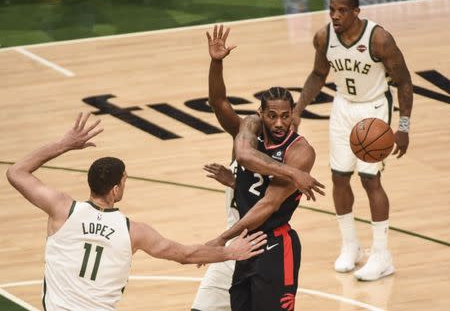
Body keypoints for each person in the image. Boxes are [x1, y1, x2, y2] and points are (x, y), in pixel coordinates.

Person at [5, 112, 268, 311]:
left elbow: (16, 172)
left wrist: (64, 144)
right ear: (117, 188)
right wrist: (229, 252)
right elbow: (185, 254)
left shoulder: (62, 209)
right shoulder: (133, 231)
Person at [293, 0, 413, 281]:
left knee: (370, 179)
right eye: (332, 10)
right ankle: (351, 246)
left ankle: (382, 255)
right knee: (339, 177)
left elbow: (404, 81)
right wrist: (298, 109)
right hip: (342, 107)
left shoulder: (379, 39)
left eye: (342, 10)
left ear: (356, 12)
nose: (335, 15)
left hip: (373, 109)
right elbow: (318, 74)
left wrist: (403, 127)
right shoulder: (324, 38)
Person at [204, 25, 325, 311]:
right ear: (262, 114)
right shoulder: (250, 126)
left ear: (293, 114)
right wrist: (216, 62)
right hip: (245, 242)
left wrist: (222, 238)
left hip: (274, 245)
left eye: (286, 116)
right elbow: (220, 107)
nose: (280, 123)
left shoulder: (301, 151)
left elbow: (267, 206)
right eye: (273, 116)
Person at [191, 161, 238, 311]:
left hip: (262, 251)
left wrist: (234, 183)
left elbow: (271, 205)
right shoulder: (240, 147)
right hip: (230, 248)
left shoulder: (274, 160)